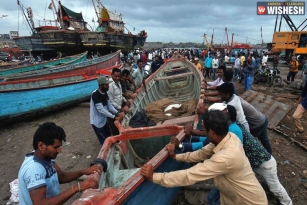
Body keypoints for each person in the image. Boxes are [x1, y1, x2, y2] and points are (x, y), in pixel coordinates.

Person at [141, 110, 268, 205]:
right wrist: (176, 157)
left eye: (205, 130)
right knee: (212, 198)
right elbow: (201, 154)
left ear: (211, 132)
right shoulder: (229, 137)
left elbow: (190, 175)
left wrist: (154, 177)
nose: (203, 132)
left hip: (249, 201)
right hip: (232, 196)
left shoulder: (225, 157)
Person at [18, 122, 104, 205]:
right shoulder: (34, 169)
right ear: (41, 145)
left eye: (60, 147)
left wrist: (82, 172)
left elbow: (61, 176)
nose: (59, 150)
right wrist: (77, 187)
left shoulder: (44, 156)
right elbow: (40, 203)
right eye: (56, 147)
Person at [90, 76, 125, 144]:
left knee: (108, 135)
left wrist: (117, 113)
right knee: (104, 140)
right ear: (101, 85)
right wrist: (114, 116)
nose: (108, 86)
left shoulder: (105, 93)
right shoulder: (95, 94)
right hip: (96, 121)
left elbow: (109, 105)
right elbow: (101, 110)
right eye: (106, 85)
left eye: (108, 84)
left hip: (103, 119)